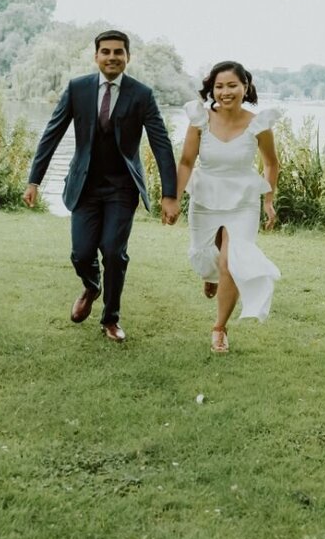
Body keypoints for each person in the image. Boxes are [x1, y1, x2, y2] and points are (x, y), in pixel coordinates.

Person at [24, 30, 180, 343]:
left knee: (113, 251)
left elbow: (161, 145)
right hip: (85, 186)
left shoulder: (142, 94)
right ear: (96, 56)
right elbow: (52, 134)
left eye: (118, 52)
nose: (112, 57)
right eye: (106, 51)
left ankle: (111, 319)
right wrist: (34, 180)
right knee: (81, 253)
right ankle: (91, 285)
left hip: (122, 189)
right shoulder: (77, 88)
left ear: (127, 57)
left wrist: (170, 194)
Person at [176, 61, 281, 353]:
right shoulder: (200, 120)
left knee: (231, 262)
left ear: (245, 87)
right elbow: (186, 162)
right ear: (211, 90)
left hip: (243, 202)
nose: (225, 92)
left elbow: (271, 164)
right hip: (205, 197)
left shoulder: (258, 124)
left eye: (232, 85)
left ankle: (219, 328)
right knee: (205, 255)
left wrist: (268, 200)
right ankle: (211, 277)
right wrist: (171, 198)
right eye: (219, 86)